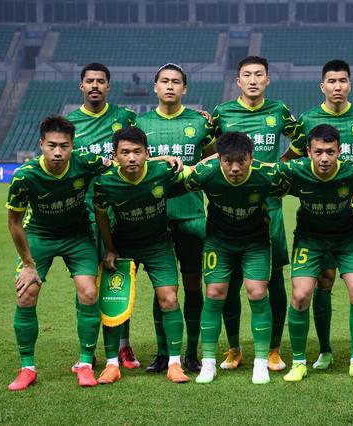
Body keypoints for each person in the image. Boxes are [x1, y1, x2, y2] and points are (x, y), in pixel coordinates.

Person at [282, 59, 353, 371]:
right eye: (332, 81)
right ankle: (324, 350)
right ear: (322, 86)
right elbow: (289, 160)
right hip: (318, 215)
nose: (337, 86)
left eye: (343, 81)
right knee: (323, 280)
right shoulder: (307, 120)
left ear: (350, 85)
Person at [5, 115, 112, 391]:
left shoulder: (85, 162)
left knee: (88, 292)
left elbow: (125, 163)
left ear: (72, 146)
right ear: (41, 144)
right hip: (40, 235)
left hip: (78, 235)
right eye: (51, 145)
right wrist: (28, 264)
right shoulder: (25, 176)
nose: (57, 152)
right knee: (26, 293)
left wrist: (164, 160)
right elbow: (14, 223)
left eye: (64, 146)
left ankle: (85, 364)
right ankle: (27, 368)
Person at [210, 56, 302, 371]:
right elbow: (208, 147)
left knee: (273, 280)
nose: (252, 80)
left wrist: (280, 165)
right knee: (230, 281)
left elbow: (302, 140)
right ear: (238, 81)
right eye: (246, 75)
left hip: (268, 208)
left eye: (258, 75)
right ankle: (234, 348)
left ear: (267, 80)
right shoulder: (222, 113)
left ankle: (273, 348)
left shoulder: (279, 111)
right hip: (228, 209)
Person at [185, 132, 288, 384]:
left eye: (241, 161)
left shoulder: (268, 175)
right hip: (219, 242)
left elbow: (291, 183)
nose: (234, 168)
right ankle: (208, 363)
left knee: (257, 293)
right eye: (228, 161)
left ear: (251, 158)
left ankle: (261, 363)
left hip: (256, 243)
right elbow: (182, 178)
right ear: (218, 158)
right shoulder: (205, 173)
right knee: (214, 294)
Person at [135, 63, 216, 373]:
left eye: (176, 82)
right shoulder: (140, 123)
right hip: (155, 219)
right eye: (164, 81)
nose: (170, 86)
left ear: (185, 88)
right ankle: (163, 353)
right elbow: (130, 160)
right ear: (155, 86)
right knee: (164, 289)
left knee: (193, 285)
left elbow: (212, 159)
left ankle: (192, 352)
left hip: (192, 216)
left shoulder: (200, 123)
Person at [93, 126, 187, 384]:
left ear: (147, 153)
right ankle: (112, 364)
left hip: (159, 245)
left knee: (169, 299)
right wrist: (109, 248)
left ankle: (175, 363)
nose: (132, 158)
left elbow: (197, 171)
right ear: (115, 155)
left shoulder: (163, 171)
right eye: (125, 152)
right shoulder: (105, 183)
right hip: (124, 246)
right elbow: (101, 216)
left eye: (137, 152)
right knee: (114, 302)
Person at [67, 62, 140, 371]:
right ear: (81, 86)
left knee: (116, 279)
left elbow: (145, 140)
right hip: (82, 212)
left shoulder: (125, 117)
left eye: (100, 81)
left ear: (109, 86)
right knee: (85, 282)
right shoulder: (69, 123)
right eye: (90, 81)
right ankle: (87, 350)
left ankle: (123, 346)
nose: (95, 85)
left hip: (117, 210)